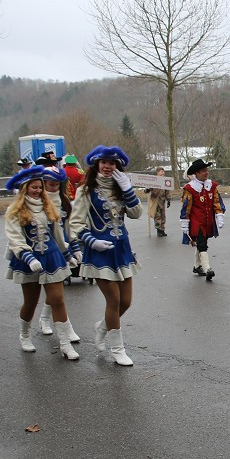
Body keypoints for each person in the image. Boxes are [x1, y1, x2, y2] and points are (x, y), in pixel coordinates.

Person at [69, 145, 141, 366]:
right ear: (97, 164)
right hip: (100, 251)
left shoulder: (121, 188)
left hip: (122, 249)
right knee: (114, 300)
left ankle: (102, 327)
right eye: (104, 162)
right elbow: (76, 223)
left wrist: (128, 189)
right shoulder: (86, 191)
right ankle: (117, 349)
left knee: (126, 302)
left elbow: (136, 213)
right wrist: (92, 241)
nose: (108, 166)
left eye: (113, 163)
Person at [4, 165, 78, 359]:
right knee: (30, 302)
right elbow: (15, 238)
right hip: (28, 259)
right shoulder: (15, 210)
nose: (37, 191)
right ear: (25, 188)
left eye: (39, 187)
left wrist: (68, 254)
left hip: (51, 257)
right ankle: (25, 335)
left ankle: (65, 344)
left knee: (58, 300)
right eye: (33, 187)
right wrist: (28, 257)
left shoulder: (48, 206)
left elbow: (58, 234)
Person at [39, 167, 82, 342]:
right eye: (51, 184)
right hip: (41, 248)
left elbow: (67, 227)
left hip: (60, 248)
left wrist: (75, 247)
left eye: (57, 184)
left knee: (57, 290)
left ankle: (51, 321)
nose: (54, 187)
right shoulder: (37, 201)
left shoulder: (64, 202)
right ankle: (31, 327)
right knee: (47, 292)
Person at [180, 158, 226, 281]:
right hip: (196, 223)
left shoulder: (212, 186)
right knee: (202, 245)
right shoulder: (189, 189)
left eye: (206, 170)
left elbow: (216, 202)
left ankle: (197, 266)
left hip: (207, 222)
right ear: (196, 174)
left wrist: (219, 214)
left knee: (201, 243)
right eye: (203, 171)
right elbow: (186, 207)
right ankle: (207, 269)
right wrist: (184, 222)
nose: (206, 172)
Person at [145, 167, 170, 237]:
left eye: (163, 171)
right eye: (161, 171)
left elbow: (167, 191)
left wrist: (169, 200)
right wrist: (147, 190)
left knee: (163, 216)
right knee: (157, 216)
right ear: (157, 172)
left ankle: (162, 229)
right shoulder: (154, 180)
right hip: (155, 201)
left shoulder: (165, 181)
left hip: (162, 200)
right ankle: (158, 230)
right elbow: (148, 189)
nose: (163, 173)